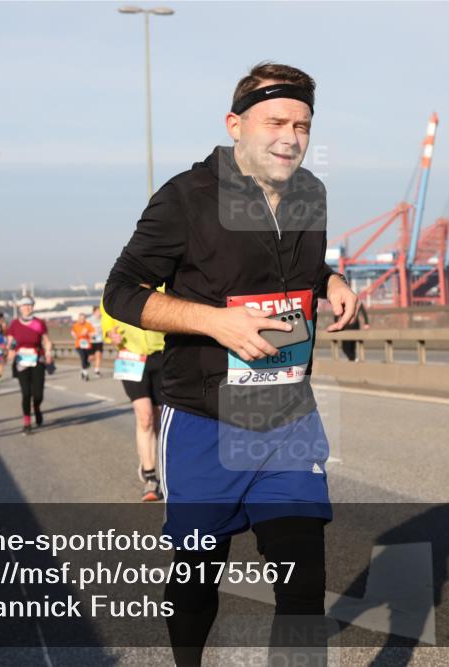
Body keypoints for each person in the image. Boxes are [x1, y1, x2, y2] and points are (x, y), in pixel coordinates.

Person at [103, 62, 358, 666]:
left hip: (286, 419)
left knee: (301, 584)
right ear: (235, 124)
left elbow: (288, 268)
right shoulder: (185, 199)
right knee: (196, 577)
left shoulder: (309, 193)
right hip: (203, 421)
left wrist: (331, 280)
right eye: (275, 121)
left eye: (302, 124)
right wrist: (214, 320)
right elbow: (121, 292)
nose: (290, 137)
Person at [100, 300, 165, 501]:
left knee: (158, 418)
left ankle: (149, 457)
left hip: (161, 356)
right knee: (145, 417)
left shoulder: (161, 285)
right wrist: (110, 334)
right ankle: (150, 477)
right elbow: (107, 323)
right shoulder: (118, 286)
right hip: (130, 358)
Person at [6, 296, 54, 435]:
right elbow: (10, 342)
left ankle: (37, 407)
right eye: (24, 305)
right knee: (26, 393)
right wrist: (10, 351)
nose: (27, 308)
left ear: (33, 307)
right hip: (21, 362)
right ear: (20, 308)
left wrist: (49, 353)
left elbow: (46, 340)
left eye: (29, 305)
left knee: (38, 394)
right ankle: (27, 422)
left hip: (37, 360)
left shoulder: (39, 323)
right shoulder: (15, 324)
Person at [70, 312, 96, 381]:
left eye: (83, 318)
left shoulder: (88, 325)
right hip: (79, 345)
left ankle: (83, 370)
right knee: (83, 357)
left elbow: (93, 333)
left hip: (87, 345)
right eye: (81, 318)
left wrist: (89, 333)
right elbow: (73, 333)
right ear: (78, 319)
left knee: (89, 360)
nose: (82, 320)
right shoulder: (75, 325)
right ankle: (86, 373)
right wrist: (77, 335)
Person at [89, 304, 104, 377]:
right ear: (94, 312)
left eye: (100, 311)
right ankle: (86, 364)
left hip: (99, 340)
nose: (100, 312)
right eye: (98, 311)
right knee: (92, 357)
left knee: (99, 355)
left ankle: (97, 371)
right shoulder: (89, 320)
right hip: (91, 341)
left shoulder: (103, 319)